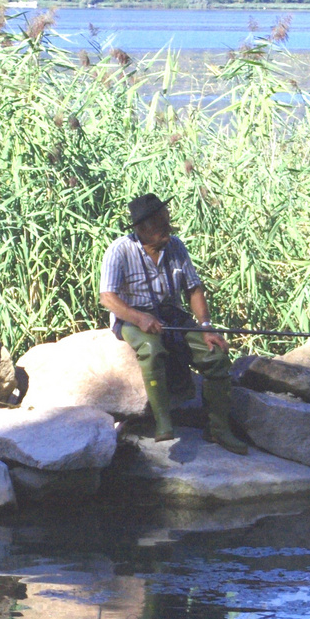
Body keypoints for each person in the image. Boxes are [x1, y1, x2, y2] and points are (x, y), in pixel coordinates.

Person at [99, 193, 251, 453]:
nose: (167, 228)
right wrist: (139, 317)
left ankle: (218, 430)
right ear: (141, 229)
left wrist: (205, 327)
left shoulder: (176, 246)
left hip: (172, 316)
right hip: (133, 317)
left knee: (215, 356)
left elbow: (194, 289)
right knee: (151, 348)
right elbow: (108, 298)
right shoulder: (119, 250)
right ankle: (163, 422)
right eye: (159, 225)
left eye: (167, 221)